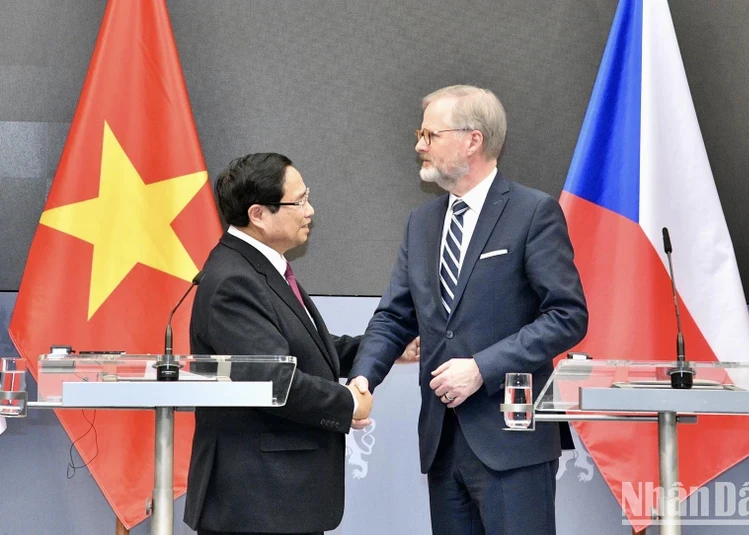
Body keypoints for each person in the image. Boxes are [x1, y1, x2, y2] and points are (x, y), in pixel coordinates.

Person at [349, 85, 588, 535]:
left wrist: (482, 367)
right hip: (443, 440)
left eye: (429, 134)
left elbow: (567, 316)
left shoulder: (533, 212)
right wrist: (363, 377)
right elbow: (395, 316)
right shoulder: (420, 224)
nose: (419, 145)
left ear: (472, 140)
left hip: (511, 440)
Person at [184, 152, 373, 535]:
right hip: (257, 501)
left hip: (277, 500)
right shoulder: (233, 280)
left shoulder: (261, 265)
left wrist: (379, 349)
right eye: (299, 202)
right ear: (258, 214)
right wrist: (350, 402)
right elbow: (273, 379)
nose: (310, 210)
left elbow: (303, 349)